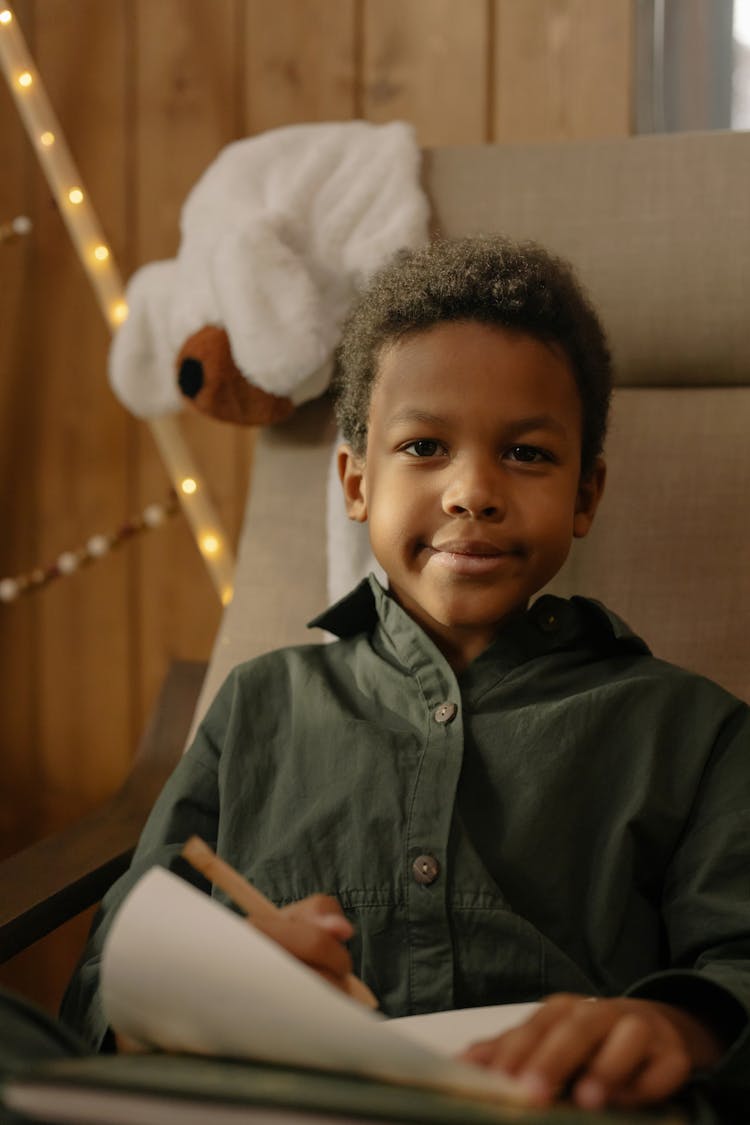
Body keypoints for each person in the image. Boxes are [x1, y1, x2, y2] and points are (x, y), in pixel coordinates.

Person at [54, 237, 749, 1116]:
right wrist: (212, 971)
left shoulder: (696, 731)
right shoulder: (260, 705)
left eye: (528, 455)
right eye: (424, 446)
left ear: (586, 493)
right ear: (355, 481)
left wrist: (678, 1027)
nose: (472, 491)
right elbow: (113, 967)